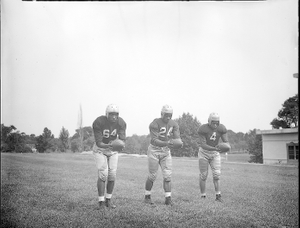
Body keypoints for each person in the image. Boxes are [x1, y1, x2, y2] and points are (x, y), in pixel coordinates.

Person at [144, 104, 182, 206]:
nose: (168, 117)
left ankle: (168, 199)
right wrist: (167, 143)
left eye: (170, 115)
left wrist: (178, 143)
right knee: (152, 176)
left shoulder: (174, 124)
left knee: (168, 175)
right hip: (154, 150)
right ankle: (147, 196)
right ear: (162, 114)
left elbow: (177, 138)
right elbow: (154, 140)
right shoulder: (155, 123)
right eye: (166, 115)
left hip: (166, 151)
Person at [92, 104, 126, 209]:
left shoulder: (121, 123)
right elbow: (99, 143)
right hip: (100, 149)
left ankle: (108, 200)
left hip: (113, 151)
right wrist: (110, 145)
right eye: (111, 114)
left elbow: (122, 140)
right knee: (103, 174)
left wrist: (121, 145)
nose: (114, 117)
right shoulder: (99, 122)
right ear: (107, 114)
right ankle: (101, 201)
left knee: (112, 175)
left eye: (116, 114)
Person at [197, 112, 230, 203]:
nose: (215, 124)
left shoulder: (222, 128)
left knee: (217, 174)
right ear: (209, 121)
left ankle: (218, 196)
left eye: (217, 122)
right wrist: (215, 148)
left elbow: (226, 142)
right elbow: (203, 144)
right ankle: (203, 196)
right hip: (204, 153)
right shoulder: (203, 129)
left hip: (215, 153)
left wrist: (226, 147)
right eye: (213, 122)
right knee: (203, 175)